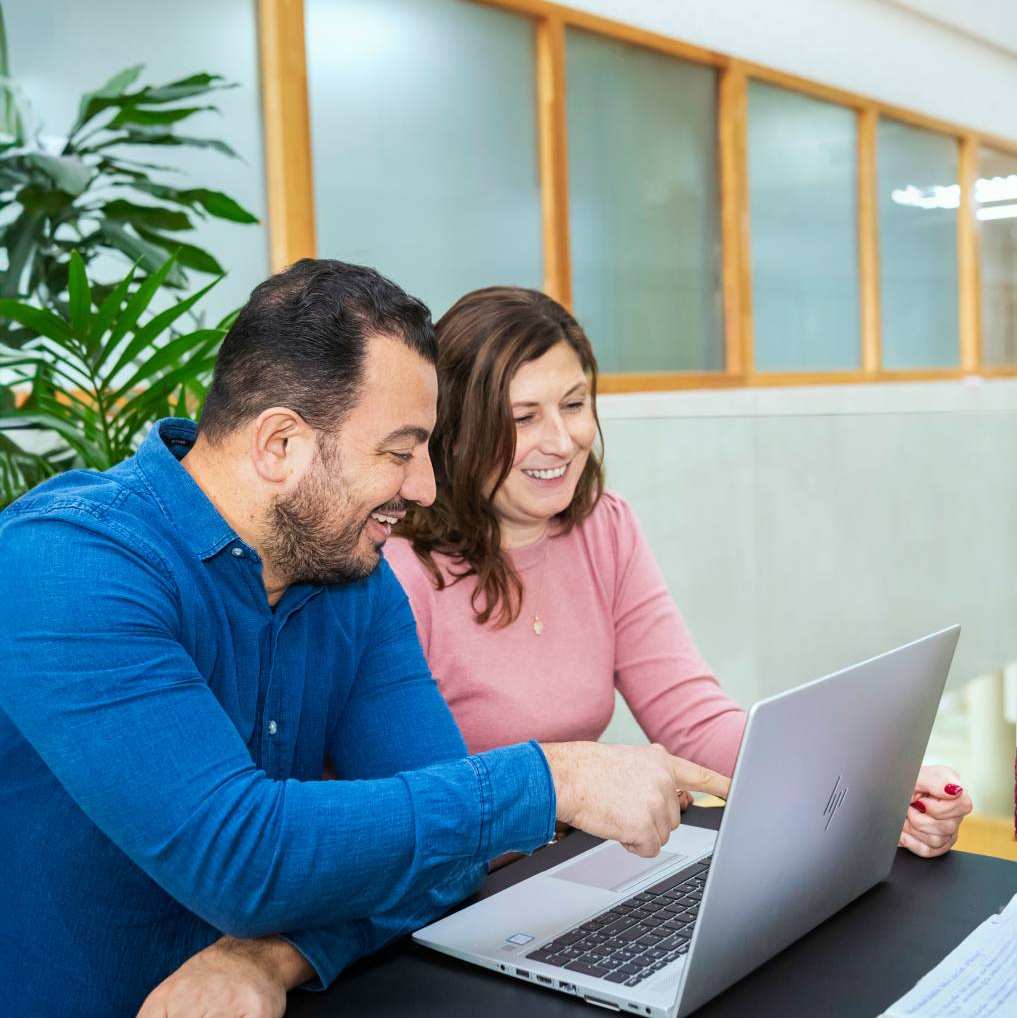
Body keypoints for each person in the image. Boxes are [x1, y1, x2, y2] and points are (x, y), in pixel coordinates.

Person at [0, 262, 730, 1018]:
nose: (425, 489)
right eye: (399, 451)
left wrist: (272, 958)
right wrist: (555, 779)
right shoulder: (64, 565)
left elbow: (448, 864)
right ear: (279, 444)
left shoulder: (352, 577)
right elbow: (240, 853)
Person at [383, 285, 973, 860]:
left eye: (573, 404)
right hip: (459, 893)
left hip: (570, 866)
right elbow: (404, 813)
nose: (562, 441)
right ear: (456, 432)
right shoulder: (400, 572)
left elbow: (693, 720)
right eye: (523, 417)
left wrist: (873, 783)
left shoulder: (603, 529)